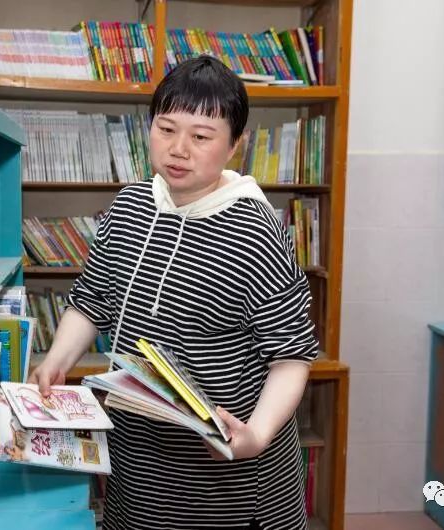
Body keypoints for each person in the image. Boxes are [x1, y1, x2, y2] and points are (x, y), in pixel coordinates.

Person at [29, 55, 318, 530]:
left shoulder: (257, 231)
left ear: (235, 145)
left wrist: (256, 436)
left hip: (229, 476)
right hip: (139, 467)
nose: (178, 149)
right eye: (166, 129)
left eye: (201, 137)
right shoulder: (129, 207)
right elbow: (91, 302)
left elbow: (291, 358)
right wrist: (58, 360)